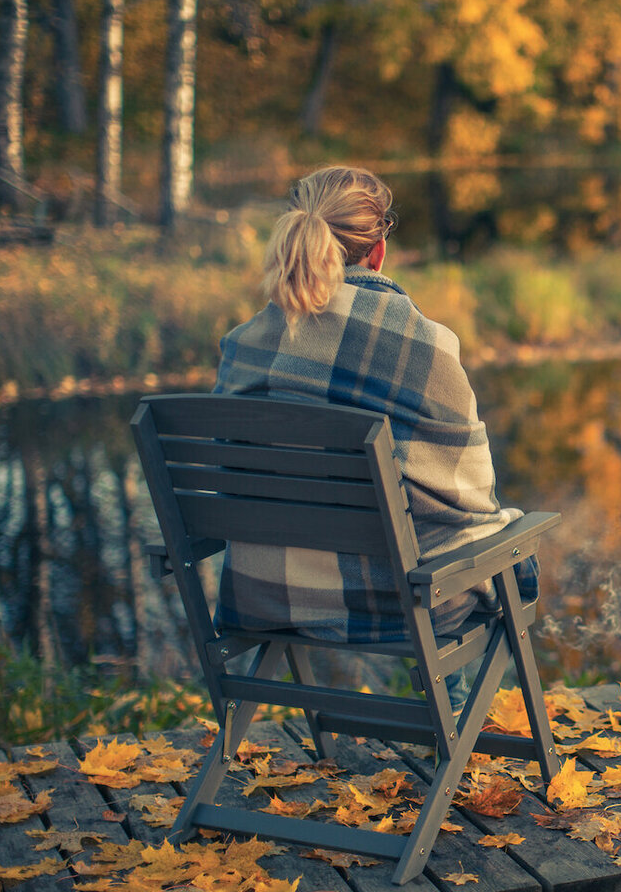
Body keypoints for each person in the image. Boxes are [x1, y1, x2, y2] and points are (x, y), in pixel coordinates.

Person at [213, 165, 535, 641]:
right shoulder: (427, 346)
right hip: (405, 605)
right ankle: (454, 709)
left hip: (266, 596)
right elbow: (473, 495)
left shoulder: (243, 346)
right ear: (379, 251)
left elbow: (231, 480)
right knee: (502, 552)